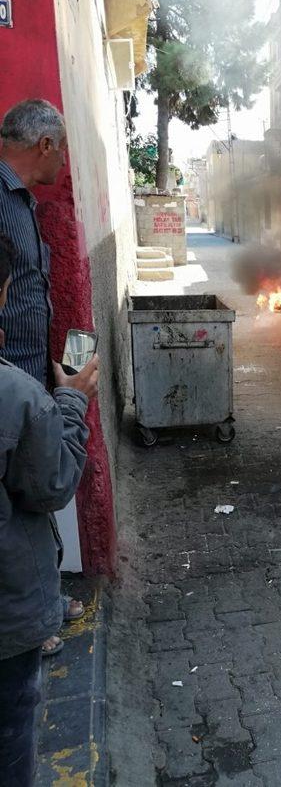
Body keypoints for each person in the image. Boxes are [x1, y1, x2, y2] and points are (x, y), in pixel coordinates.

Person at [0, 233, 99, 786]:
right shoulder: (15, 394)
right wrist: (72, 400)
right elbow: (52, 485)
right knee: (12, 732)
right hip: (7, 611)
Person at [0, 98, 84, 654]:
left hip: (27, 379)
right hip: (10, 385)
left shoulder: (21, 201)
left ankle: (45, 602)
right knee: (26, 503)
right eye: (63, 150)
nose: (65, 164)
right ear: (45, 145)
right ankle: (26, 627)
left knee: (33, 503)